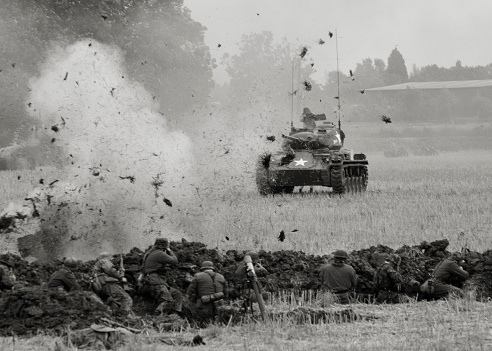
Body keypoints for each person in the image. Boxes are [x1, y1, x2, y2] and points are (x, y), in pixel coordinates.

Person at [140, 238, 183, 315]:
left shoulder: (151, 253)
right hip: (155, 282)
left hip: (153, 281)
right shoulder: (159, 254)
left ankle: (174, 316)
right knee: (168, 300)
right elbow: (175, 261)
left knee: (177, 294)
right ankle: (156, 317)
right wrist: (169, 250)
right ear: (164, 246)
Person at [93, 252, 133, 316]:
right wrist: (121, 277)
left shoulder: (97, 266)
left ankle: (116, 316)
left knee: (113, 302)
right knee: (126, 299)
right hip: (110, 285)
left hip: (103, 287)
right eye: (110, 258)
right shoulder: (103, 261)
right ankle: (124, 317)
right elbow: (110, 270)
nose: (111, 260)